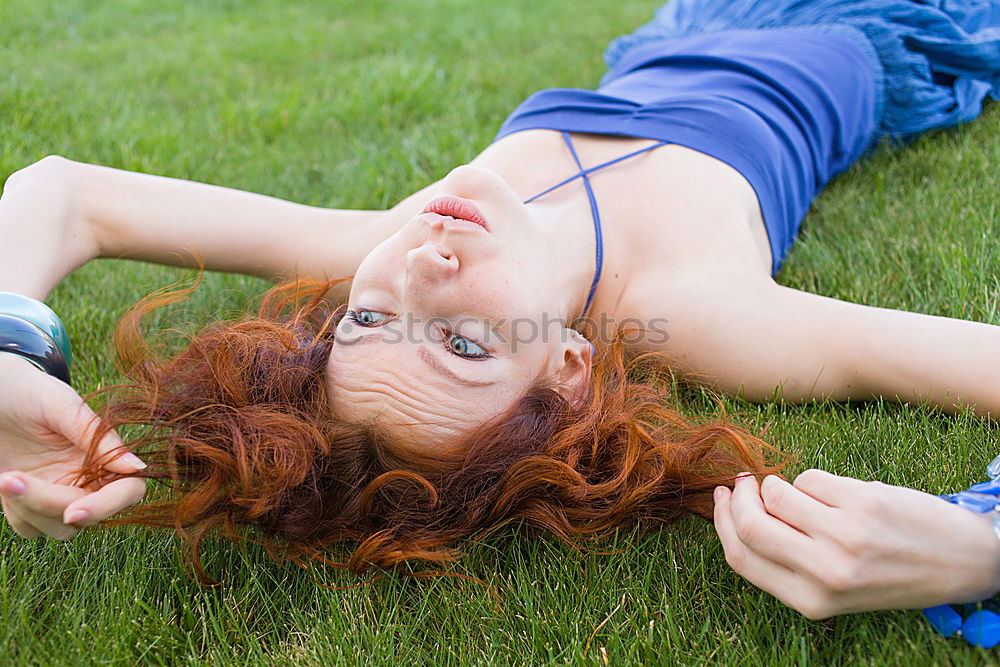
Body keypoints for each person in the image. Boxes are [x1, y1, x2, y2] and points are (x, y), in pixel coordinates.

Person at [1, 0, 999, 626]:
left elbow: (63, 194)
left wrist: (11, 351)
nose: (420, 274)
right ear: (564, 364)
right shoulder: (699, 313)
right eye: (464, 341)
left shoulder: (396, 246)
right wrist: (982, 548)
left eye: (364, 320)